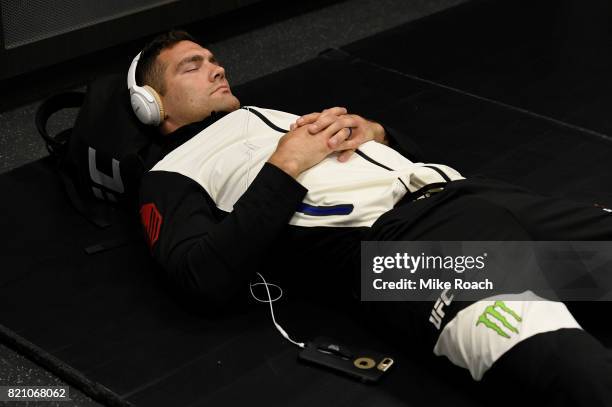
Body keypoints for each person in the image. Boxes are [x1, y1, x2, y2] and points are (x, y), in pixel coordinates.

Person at [134, 30, 612, 405]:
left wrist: (380, 134)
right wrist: (287, 164)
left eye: (214, 60)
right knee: (562, 359)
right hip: (395, 253)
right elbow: (199, 277)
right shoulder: (171, 172)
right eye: (191, 67)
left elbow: (401, 166)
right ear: (154, 103)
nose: (216, 69)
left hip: (468, 195)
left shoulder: (270, 116)